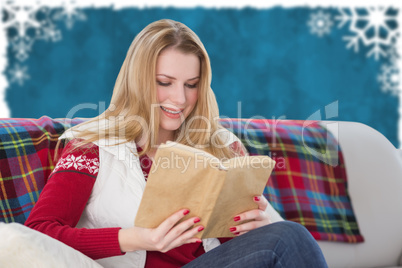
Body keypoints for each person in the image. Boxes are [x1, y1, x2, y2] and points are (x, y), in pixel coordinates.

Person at [25, 19, 328, 267]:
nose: (180, 99)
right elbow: (38, 233)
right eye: (164, 82)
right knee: (289, 237)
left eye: (191, 85)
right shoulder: (91, 146)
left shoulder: (222, 144)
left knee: (287, 236)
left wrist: (254, 223)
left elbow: (268, 243)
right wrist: (136, 238)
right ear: (138, 80)